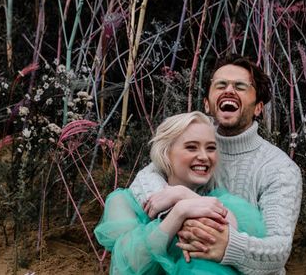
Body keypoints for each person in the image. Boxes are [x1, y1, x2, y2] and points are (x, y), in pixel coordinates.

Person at [130, 56, 302, 275]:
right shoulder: (190, 140)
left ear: (259, 107)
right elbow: (146, 178)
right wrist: (178, 212)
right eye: (220, 85)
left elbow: (278, 251)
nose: (229, 90)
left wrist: (229, 246)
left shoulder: (279, 168)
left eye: (240, 86)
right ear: (207, 104)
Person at [95, 111, 266, 274]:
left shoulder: (218, 199)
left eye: (211, 148)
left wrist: (185, 195)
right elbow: (131, 263)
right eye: (191, 147)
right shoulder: (126, 201)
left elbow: (239, 242)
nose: (204, 157)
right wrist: (179, 213)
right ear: (166, 153)